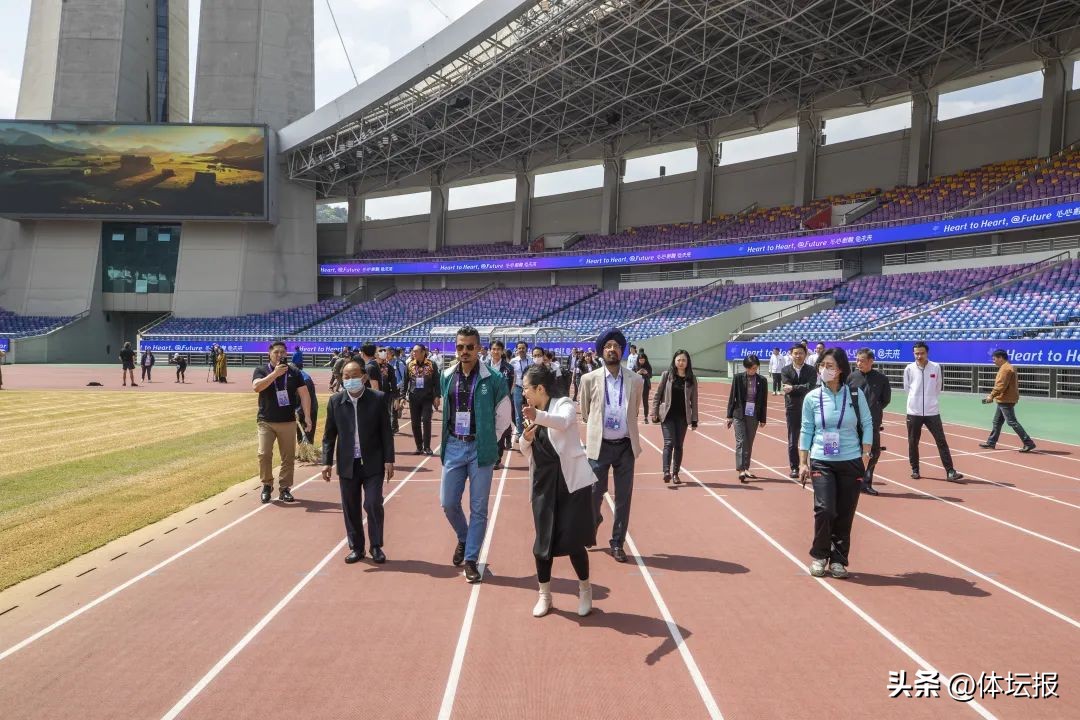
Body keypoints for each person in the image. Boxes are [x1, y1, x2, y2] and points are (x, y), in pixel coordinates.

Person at [520, 363, 597, 617]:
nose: (524, 394)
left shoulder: (562, 404)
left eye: (526, 388)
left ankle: (585, 590)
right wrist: (526, 439)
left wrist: (537, 416)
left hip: (569, 484)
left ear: (540, 388)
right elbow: (524, 447)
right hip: (543, 484)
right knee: (543, 543)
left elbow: (564, 422)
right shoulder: (533, 413)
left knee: (573, 541)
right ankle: (545, 596)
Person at [438, 326, 512, 583]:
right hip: (454, 446)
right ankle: (464, 536)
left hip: (481, 448)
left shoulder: (494, 378)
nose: (465, 351)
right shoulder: (446, 375)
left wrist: (489, 439)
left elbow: (504, 417)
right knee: (448, 502)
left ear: (479, 348)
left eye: (470, 347)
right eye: (460, 347)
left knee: (478, 508)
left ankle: (471, 559)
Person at [798, 348, 874, 579]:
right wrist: (803, 462)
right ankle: (820, 555)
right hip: (822, 460)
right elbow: (806, 429)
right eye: (822, 365)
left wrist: (865, 454)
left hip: (851, 461)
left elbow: (868, 423)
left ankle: (839, 559)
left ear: (841, 369)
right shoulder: (811, 397)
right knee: (825, 509)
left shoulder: (854, 394)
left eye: (830, 366)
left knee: (845, 512)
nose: (824, 369)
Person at [321, 361, 395, 564]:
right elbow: (329, 435)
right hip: (347, 463)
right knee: (350, 506)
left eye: (354, 375)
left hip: (372, 462)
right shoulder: (335, 401)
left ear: (363, 377)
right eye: (345, 376)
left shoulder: (377, 399)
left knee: (372, 503)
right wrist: (326, 462)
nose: (349, 379)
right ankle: (357, 547)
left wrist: (389, 459)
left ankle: (376, 546)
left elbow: (386, 432)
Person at [579, 327, 642, 564]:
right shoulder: (589, 379)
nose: (612, 350)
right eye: (608, 346)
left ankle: (617, 542)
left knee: (624, 497)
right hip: (600, 446)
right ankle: (594, 520)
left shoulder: (635, 380)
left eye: (616, 346)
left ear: (621, 351)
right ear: (601, 352)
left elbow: (634, 410)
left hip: (625, 446)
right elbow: (585, 412)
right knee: (594, 493)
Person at [251, 341, 313, 503]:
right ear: (269, 354)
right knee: (264, 454)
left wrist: (307, 416)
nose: (279, 355)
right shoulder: (261, 370)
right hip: (266, 420)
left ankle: (285, 488)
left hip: (287, 420)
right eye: (276, 352)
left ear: (286, 354)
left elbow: (304, 394)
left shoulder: (294, 371)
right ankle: (266, 484)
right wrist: (274, 375)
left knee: (288, 457)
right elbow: (256, 387)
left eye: (282, 352)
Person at [903, 342, 963, 481]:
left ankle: (950, 471)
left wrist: (930, 401)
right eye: (917, 353)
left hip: (932, 412)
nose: (919, 356)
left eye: (922, 353)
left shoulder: (935, 367)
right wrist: (915, 401)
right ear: (913, 354)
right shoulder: (909, 369)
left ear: (927, 353)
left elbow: (938, 387)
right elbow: (907, 388)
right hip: (914, 412)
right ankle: (915, 469)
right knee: (913, 442)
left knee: (941, 441)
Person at [848, 349, 893, 495]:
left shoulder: (881, 378)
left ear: (871, 361)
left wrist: (874, 409)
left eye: (862, 360)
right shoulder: (851, 377)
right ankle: (850, 481)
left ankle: (866, 482)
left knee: (873, 452)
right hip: (852, 422)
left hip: (872, 423)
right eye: (857, 360)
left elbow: (885, 400)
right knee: (852, 452)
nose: (858, 363)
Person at [650, 349, 699, 485]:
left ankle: (676, 473)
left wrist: (694, 419)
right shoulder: (667, 375)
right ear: (674, 361)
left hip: (683, 417)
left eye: (683, 360)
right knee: (668, 442)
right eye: (679, 360)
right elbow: (657, 395)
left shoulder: (691, 378)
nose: (681, 362)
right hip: (667, 415)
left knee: (678, 445)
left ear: (687, 362)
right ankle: (666, 472)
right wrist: (654, 412)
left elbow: (694, 400)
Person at [979, 350, 1036, 453]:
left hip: (1006, 399)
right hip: (1004, 399)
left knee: (1011, 422)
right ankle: (991, 442)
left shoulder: (1005, 369)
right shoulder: (1008, 367)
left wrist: (991, 396)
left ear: (1000, 358)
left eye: (994, 359)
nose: (993, 361)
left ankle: (1028, 442)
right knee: (997, 422)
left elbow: (1000, 386)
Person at [726, 354, 768, 483]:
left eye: (755, 368)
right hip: (739, 414)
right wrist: (729, 415)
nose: (753, 370)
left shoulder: (762, 380)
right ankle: (740, 469)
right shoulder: (738, 378)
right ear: (746, 367)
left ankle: (746, 467)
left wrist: (763, 418)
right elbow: (732, 396)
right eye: (751, 368)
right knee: (741, 441)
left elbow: (764, 400)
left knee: (749, 442)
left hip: (754, 414)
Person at [780, 344, 817, 478]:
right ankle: (795, 467)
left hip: (810, 408)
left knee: (812, 437)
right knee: (793, 439)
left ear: (805, 354)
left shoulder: (811, 370)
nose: (798, 356)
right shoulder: (785, 370)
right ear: (791, 354)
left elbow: (810, 387)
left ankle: (814, 466)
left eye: (801, 353)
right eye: (795, 353)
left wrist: (794, 388)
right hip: (792, 408)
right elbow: (786, 387)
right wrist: (801, 387)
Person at [488, 340, 516, 470]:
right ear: (490, 351)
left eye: (498, 349)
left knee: (501, 429)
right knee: (487, 429)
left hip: (502, 403)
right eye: (493, 349)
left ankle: (497, 459)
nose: (496, 351)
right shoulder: (483, 365)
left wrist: (505, 400)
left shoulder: (509, 368)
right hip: (487, 402)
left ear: (502, 351)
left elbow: (511, 386)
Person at [405, 344, 437, 455]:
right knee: (415, 423)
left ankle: (427, 447)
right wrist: (402, 397)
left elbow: (436, 382)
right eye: (413, 351)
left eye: (416, 351)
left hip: (427, 397)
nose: (414, 353)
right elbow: (406, 381)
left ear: (423, 352)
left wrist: (437, 396)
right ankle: (419, 446)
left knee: (426, 420)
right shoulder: (409, 365)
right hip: (414, 397)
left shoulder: (432, 364)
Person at [510, 341, 531, 440]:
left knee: (527, 412)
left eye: (523, 348)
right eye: (519, 348)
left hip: (529, 389)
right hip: (518, 388)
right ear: (517, 349)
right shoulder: (513, 361)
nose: (521, 350)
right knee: (518, 413)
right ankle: (519, 433)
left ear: (526, 349)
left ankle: (527, 431)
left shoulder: (531, 361)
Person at [295, 368, 319, 445]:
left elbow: (306, 399)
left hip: (309, 410)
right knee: (300, 433)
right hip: (299, 409)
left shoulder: (305, 379)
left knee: (308, 433)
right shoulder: (296, 376)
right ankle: (302, 452)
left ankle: (308, 453)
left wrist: (298, 411)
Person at [634, 351, 653, 423]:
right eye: (640, 360)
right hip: (637, 386)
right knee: (636, 402)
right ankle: (635, 416)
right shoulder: (635, 366)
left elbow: (651, 376)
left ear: (645, 360)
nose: (641, 361)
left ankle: (646, 417)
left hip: (645, 386)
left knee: (645, 402)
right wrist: (637, 373)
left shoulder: (648, 366)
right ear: (638, 360)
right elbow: (631, 375)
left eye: (643, 360)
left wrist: (646, 373)